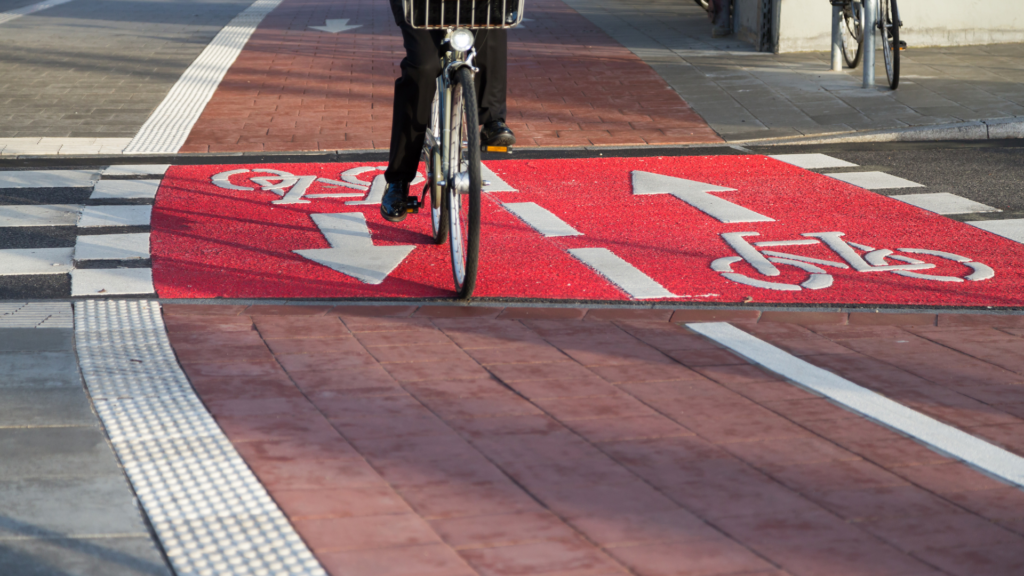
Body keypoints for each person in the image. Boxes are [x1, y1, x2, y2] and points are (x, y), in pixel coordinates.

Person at [381, 0, 516, 222]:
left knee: (493, 20)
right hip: (420, 5)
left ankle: (493, 121)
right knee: (423, 67)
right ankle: (399, 180)